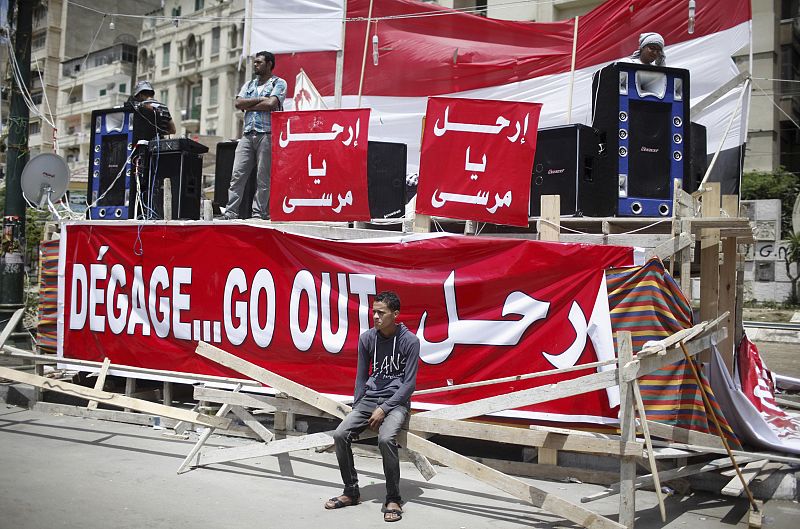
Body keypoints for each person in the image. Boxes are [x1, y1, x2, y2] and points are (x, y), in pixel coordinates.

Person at [325, 291, 420, 523]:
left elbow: (408, 385)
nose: (375, 316)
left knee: (386, 439)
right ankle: (351, 492)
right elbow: (360, 377)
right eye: (374, 312)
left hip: (396, 401)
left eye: (381, 312)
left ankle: (393, 498)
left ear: (395, 315)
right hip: (369, 399)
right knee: (340, 434)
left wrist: (385, 408)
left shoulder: (410, 341)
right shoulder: (367, 338)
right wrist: (358, 407)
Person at [223, 51, 287, 220]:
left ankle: (259, 214)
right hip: (247, 135)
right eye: (255, 62)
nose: (255, 65)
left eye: (259, 62)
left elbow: (272, 103)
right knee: (237, 174)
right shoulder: (249, 84)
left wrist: (249, 104)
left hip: (267, 134)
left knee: (263, 178)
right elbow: (238, 103)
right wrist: (261, 99)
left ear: (269, 64)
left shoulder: (279, 83)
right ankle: (230, 213)